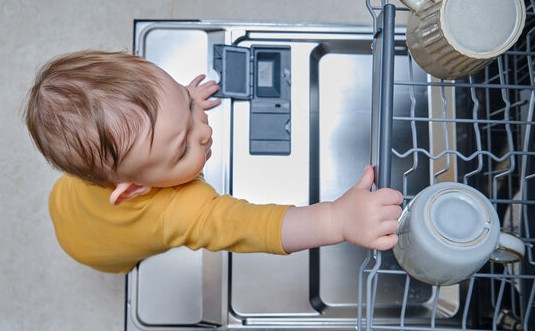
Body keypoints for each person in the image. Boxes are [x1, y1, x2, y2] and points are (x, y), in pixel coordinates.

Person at [25, 51, 403, 273]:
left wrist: (181, 103)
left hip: (67, 203)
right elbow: (260, 227)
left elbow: (146, 120)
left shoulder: (109, 163)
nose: (203, 133)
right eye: (181, 148)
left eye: (189, 108)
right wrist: (337, 218)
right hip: (101, 253)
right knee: (129, 258)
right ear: (136, 188)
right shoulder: (183, 211)